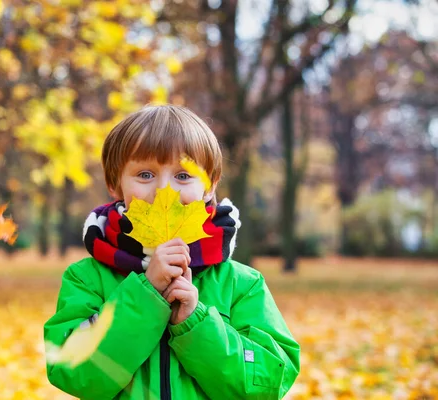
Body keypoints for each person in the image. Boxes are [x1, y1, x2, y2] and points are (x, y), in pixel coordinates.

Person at [44, 104, 300, 399]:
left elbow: (268, 383)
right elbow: (74, 372)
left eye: (182, 176)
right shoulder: (86, 279)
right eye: (144, 174)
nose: (164, 190)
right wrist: (145, 296)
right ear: (115, 184)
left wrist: (196, 323)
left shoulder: (242, 285)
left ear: (210, 186)